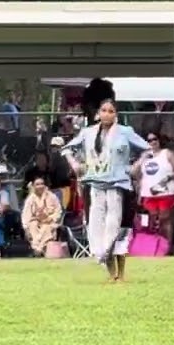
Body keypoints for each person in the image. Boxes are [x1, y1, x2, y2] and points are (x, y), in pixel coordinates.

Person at [61, 98, 150, 281]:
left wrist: (136, 166)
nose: (107, 114)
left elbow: (147, 150)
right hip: (94, 183)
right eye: (104, 110)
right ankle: (107, 266)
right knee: (95, 223)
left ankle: (120, 273)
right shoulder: (88, 133)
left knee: (117, 226)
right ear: (98, 113)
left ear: (116, 114)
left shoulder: (125, 132)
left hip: (118, 184)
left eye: (111, 111)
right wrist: (75, 164)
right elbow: (67, 149)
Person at [132, 131, 174, 248]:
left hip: (166, 192)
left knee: (165, 219)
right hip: (148, 194)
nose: (152, 142)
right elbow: (133, 173)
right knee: (151, 221)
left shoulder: (167, 154)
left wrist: (168, 177)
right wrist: (142, 159)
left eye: (155, 139)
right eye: (149, 140)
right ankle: (155, 247)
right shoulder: (144, 157)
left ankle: (167, 246)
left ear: (159, 140)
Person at [21, 174, 62, 257]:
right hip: (36, 222)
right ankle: (38, 249)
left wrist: (50, 218)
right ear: (33, 186)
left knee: (46, 228)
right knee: (32, 225)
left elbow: (58, 211)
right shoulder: (30, 199)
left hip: (49, 222)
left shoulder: (52, 196)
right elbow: (26, 215)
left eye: (42, 184)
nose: (40, 186)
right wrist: (26, 227)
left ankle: (38, 249)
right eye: (37, 184)